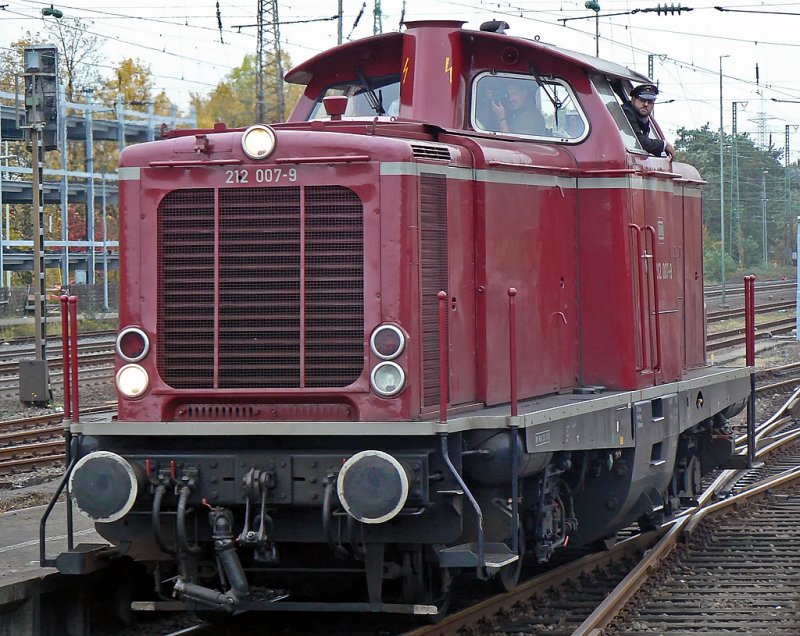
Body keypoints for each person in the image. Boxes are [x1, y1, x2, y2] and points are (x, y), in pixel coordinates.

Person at [622, 83, 676, 160]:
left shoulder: (642, 117)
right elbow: (640, 141)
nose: (646, 104)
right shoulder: (626, 112)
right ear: (633, 100)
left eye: (650, 101)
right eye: (642, 100)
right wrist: (664, 144)